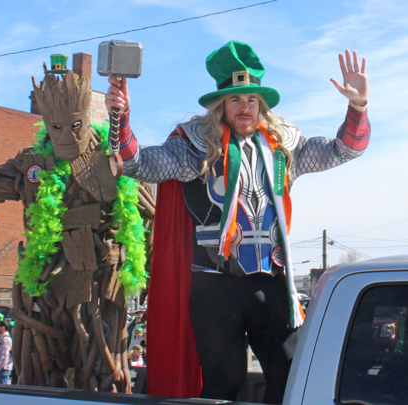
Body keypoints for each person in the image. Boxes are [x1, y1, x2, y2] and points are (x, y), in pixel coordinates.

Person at [105, 41, 369, 403]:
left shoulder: (284, 149)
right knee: (223, 383)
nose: (244, 108)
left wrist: (358, 106)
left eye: (251, 100)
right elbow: (137, 164)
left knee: (290, 376)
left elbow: (345, 149)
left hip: (272, 286)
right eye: (235, 100)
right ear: (221, 105)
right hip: (216, 289)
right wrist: (120, 117)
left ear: (262, 105)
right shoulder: (195, 149)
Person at [0, 320, 13, 384]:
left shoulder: (5, 339)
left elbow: (5, 355)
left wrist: (0, 367)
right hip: (0, 368)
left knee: (3, 387)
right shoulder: (1, 338)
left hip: (3, 369)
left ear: (3, 328)